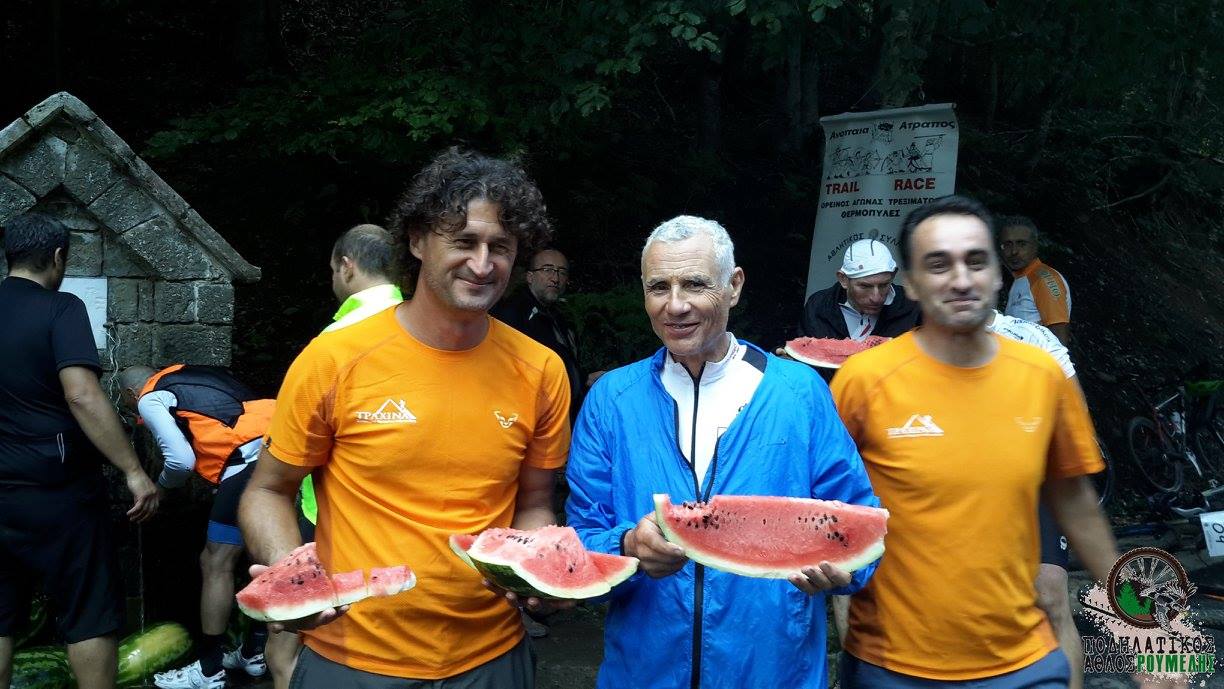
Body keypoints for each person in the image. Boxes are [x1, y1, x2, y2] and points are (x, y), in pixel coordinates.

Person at [238, 147, 571, 688]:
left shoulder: (541, 370)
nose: (482, 264)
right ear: (416, 240)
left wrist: (540, 572)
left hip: (493, 655)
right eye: (463, 241)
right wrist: (289, 572)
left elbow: (535, 502)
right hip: (352, 655)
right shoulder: (333, 359)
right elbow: (268, 490)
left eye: (500, 247)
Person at [566, 215, 881, 689]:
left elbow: (860, 524)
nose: (676, 305)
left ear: (733, 286)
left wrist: (845, 571)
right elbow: (580, 542)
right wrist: (627, 546)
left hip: (775, 674)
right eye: (658, 287)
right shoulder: (611, 399)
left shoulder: (799, 392)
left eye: (695, 284)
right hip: (644, 674)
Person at [830, 196, 1118, 688]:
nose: (961, 279)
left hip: (1024, 666)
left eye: (976, 260)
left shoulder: (1042, 375)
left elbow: (1077, 505)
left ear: (999, 275)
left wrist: (1147, 629)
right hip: (892, 666)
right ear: (911, 284)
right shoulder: (863, 381)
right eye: (938, 264)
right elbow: (826, 501)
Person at [0, 213, 159, 689]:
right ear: (57, 257)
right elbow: (82, 395)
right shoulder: (61, 307)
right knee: (87, 607)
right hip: (58, 489)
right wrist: (133, 470)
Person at [117, 364, 274, 689]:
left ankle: (209, 669)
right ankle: (254, 651)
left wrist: (159, 489)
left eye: (128, 406)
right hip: (278, 451)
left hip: (246, 465)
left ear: (131, 394)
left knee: (216, 562)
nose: (136, 415)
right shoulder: (192, 376)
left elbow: (180, 461)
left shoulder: (150, 397)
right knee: (260, 558)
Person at [986, 309, 1085, 689]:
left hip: (1034, 481)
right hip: (963, 493)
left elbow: (1075, 417)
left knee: (1051, 593)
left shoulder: (1032, 337)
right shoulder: (918, 345)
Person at [493, 247, 586, 421]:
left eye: (562, 272)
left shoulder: (559, 317)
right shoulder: (514, 315)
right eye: (547, 270)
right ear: (530, 277)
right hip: (528, 418)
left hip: (563, 418)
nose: (555, 278)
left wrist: (584, 379)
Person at [799, 238, 920, 341]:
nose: (876, 298)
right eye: (865, 286)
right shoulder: (818, 306)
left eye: (883, 285)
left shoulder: (914, 306)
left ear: (893, 275)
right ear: (843, 279)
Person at [1000, 217, 1071, 345]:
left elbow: (1059, 340)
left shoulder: (1043, 279)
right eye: (1008, 244)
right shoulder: (1021, 279)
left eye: (1021, 244)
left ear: (1035, 246)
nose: (1014, 251)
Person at [324, 223, 403, 334]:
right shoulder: (417, 321)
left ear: (346, 267)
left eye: (333, 270)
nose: (333, 280)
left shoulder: (336, 334)